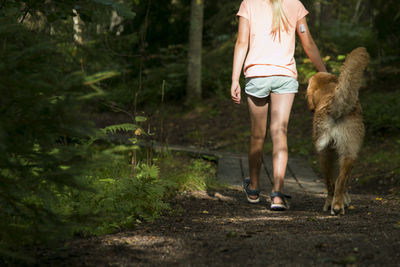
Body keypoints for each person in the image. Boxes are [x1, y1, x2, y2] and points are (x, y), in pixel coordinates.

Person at [231, 0, 327, 210]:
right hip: (285, 77)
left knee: (257, 136)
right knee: (279, 132)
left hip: (257, 76)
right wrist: (325, 73)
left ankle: (254, 190)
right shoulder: (295, 4)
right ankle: (277, 196)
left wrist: (234, 79)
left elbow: (241, 43)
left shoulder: (249, 3)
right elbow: (307, 42)